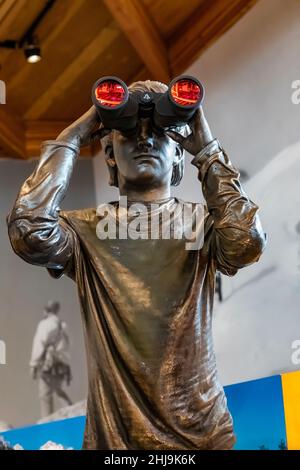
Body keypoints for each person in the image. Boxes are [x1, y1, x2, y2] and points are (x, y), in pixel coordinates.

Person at [6, 79, 266, 449]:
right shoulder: (87, 232)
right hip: (117, 443)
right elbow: (28, 230)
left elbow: (246, 241)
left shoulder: (200, 226)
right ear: (109, 154)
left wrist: (206, 150)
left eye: (159, 134)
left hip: (202, 437)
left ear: (179, 153)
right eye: (130, 133)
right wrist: (76, 135)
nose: (145, 140)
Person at [30, 300, 72, 418]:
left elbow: (39, 344)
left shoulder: (45, 324)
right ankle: (72, 412)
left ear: (47, 310)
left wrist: (34, 364)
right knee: (58, 390)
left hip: (49, 365)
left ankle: (47, 422)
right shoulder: (63, 325)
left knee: (45, 395)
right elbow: (67, 347)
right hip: (61, 365)